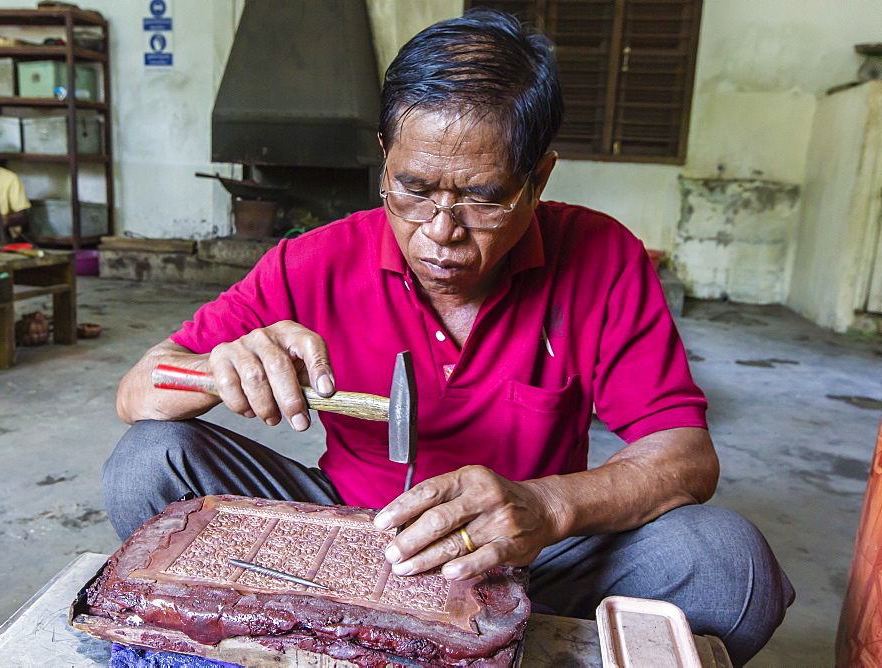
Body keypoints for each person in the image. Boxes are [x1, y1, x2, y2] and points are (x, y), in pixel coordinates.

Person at [105, 9, 793, 665]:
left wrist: (549, 506)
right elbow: (137, 391)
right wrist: (216, 371)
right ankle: (330, 624)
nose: (440, 230)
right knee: (148, 458)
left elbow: (686, 457)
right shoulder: (310, 261)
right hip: (345, 539)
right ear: (384, 157)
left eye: (483, 196)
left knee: (730, 566)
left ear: (538, 178)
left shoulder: (602, 257)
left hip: (521, 552)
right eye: (413, 187)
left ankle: (485, 634)